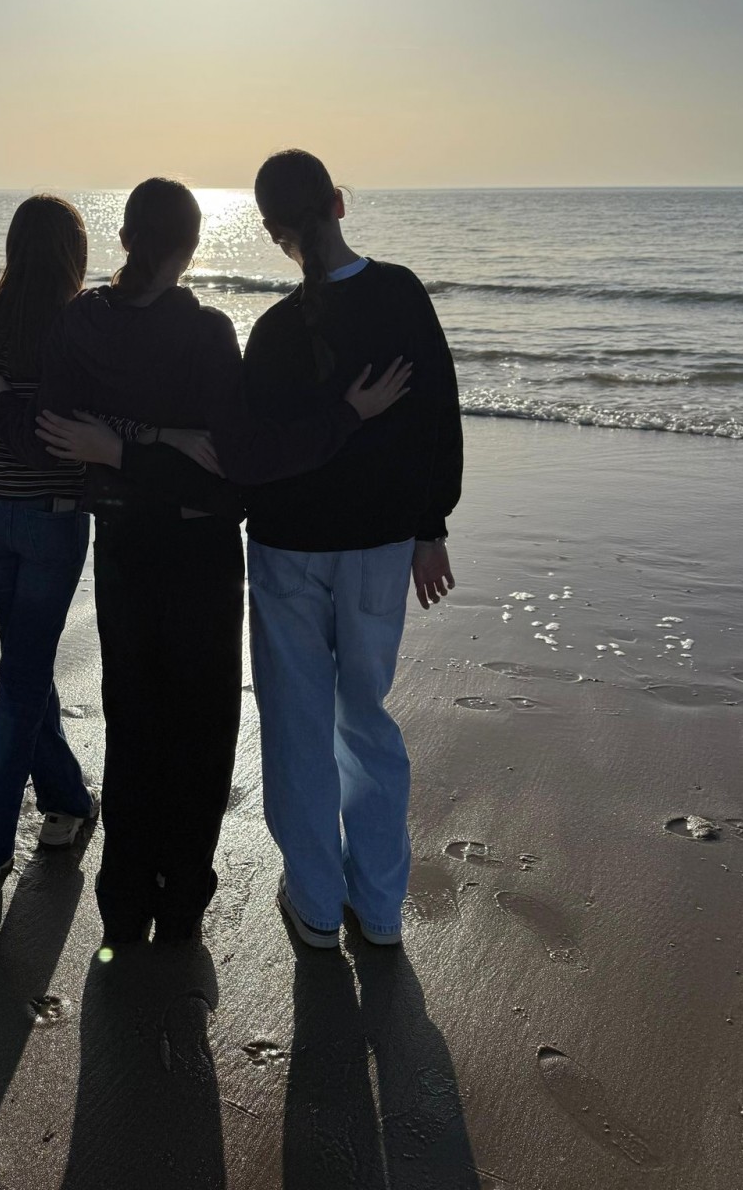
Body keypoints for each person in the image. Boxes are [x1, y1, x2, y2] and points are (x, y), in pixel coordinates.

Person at [0, 178, 409, 945]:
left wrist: (34, 416)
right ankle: (180, 905)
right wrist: (348, 414)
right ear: (193, 247)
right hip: (198, 554)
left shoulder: (80, 323)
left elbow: (56, 438)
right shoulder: (206, 333)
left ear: (124, 240)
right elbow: (235, 471)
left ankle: (125, 905)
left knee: (133, 723)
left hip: (124, 550)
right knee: (202, 732)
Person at [243, 149, 462, 949]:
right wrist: (431, 528)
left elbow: (254, 452)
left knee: (297, 728)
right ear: (338, 202)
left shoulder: (274, 330)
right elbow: (439, 414)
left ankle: (313, 901)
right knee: (365, 720)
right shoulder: (400, 293)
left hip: (288, 548)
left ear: (273, 229)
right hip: (379, 544)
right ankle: (378, 908)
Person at [0, 195, 134, 902]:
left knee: (25, 665)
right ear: (72, 253)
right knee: (23, 677)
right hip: (50, 519)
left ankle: (67, 801)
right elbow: (81, 427)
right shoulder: (81, 323)